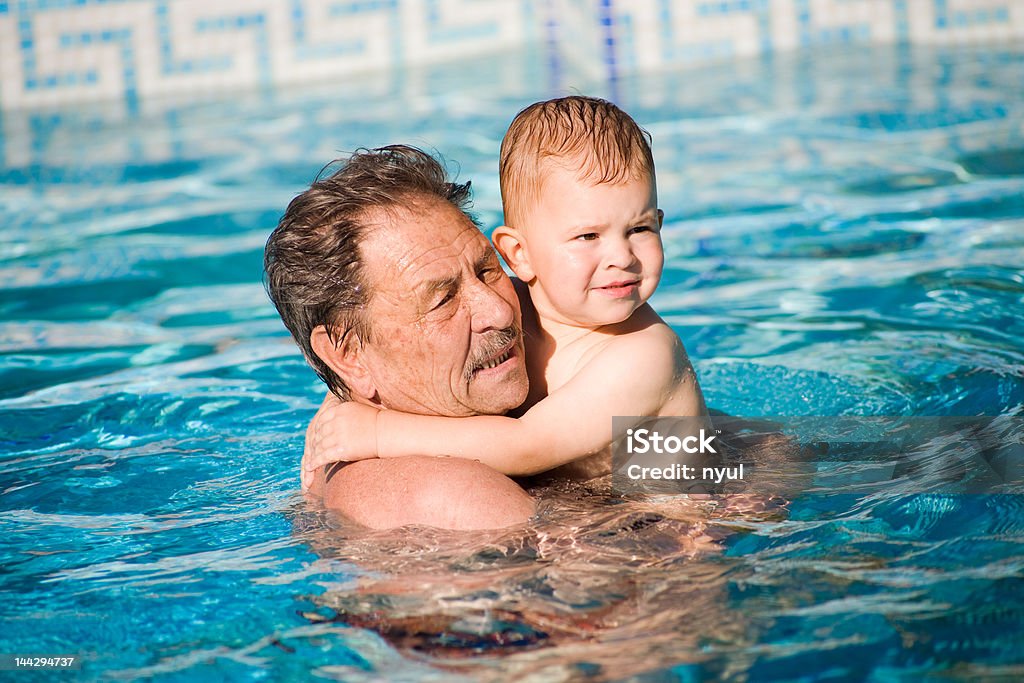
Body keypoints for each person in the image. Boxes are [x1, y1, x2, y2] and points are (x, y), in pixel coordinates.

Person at [301, 96, 711, 484]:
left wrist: (375, 433)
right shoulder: (510, 308)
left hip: (682, 526)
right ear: (520, 254)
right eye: (588, 236)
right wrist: (337, 411)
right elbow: (371, 362)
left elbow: (528, 446)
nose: (621, 256)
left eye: (639, 229)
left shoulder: (645, 355)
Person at [264, 145, 536, 530]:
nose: (500, 311)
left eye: (487, 270)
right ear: (347, 355)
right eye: (443, 300)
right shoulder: (453, 498)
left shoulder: (386, 416)